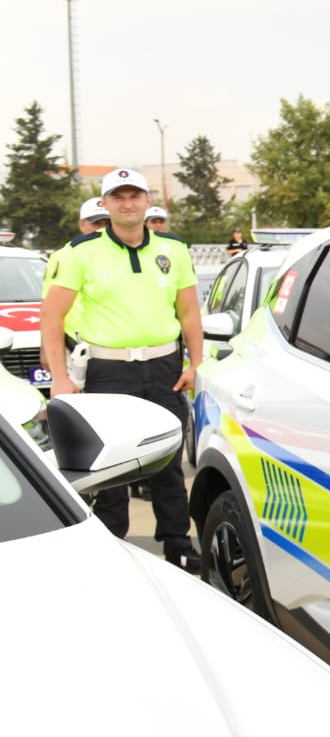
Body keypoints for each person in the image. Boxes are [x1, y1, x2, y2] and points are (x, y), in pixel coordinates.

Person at [39, 167, 204, 571]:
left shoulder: (174, 250)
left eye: (135, 196)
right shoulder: (81, 252)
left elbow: (189, 311)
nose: (127, 203)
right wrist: (60, 378)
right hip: (108, 369)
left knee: (167, 459)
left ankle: (177, 541)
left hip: (164, 366)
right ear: (106, 204)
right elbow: (52, 317)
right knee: (111, 462)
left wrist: (196, 363)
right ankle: (113, 543)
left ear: (147, 202)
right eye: (118, 197)